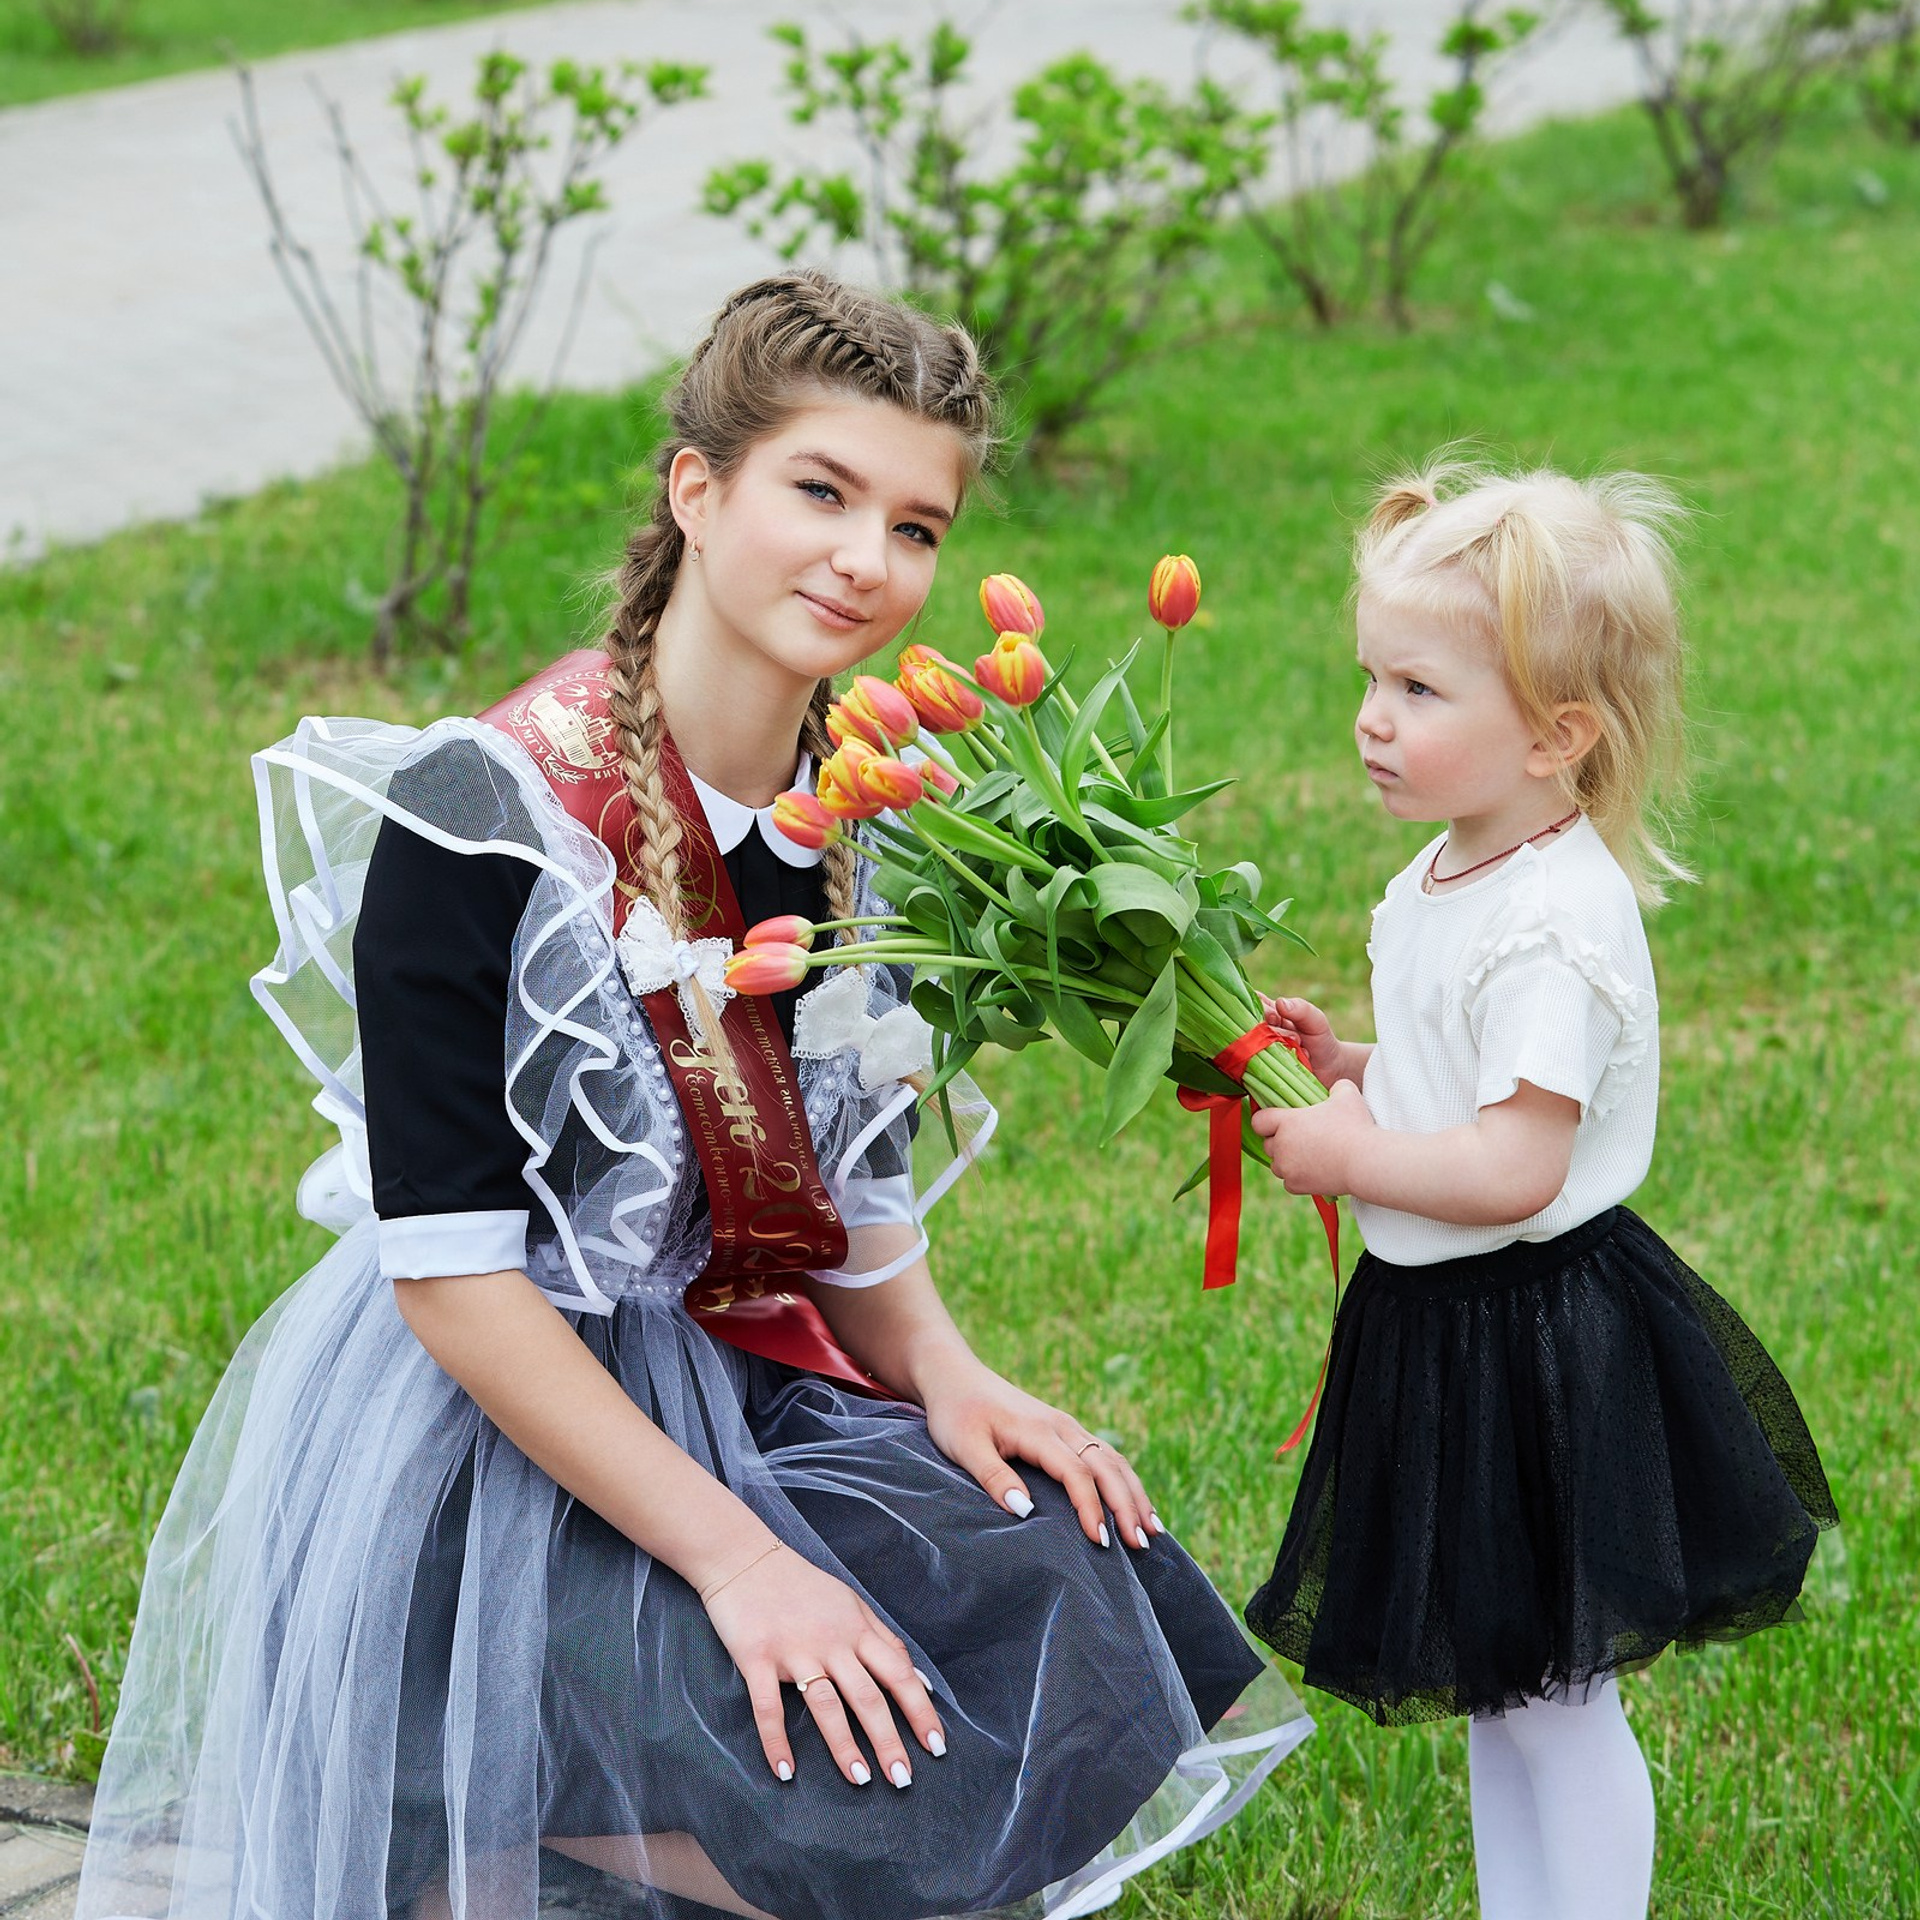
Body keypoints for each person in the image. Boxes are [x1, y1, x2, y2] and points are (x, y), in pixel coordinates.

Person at [76, 273, 1308, 1920]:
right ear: (696, 487)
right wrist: (740, 1558)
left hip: (745, 1371)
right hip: (493, 1438)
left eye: (917, 525)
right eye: (822, 490)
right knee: (830, 1747)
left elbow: (846, 1177)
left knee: (1080, 1578)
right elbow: (450, 1278)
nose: (867, 558)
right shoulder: (485, 812)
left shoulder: (869, 817)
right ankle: (463, 1835)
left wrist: (947, 1370)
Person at [1249, 457, 1836, 1920]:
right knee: (1504, 1689)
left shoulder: (1557, 922)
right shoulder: (1456, 870)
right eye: (1372, 677)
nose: (1374, 719)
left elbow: (1516, 1164)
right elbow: (1469, 1083)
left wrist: (1349, 1153)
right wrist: (1363, 1063)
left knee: (1559, 1698)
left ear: (1557, 737)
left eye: (1423, 691)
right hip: (1449, 1329)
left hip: (1534, 1339)